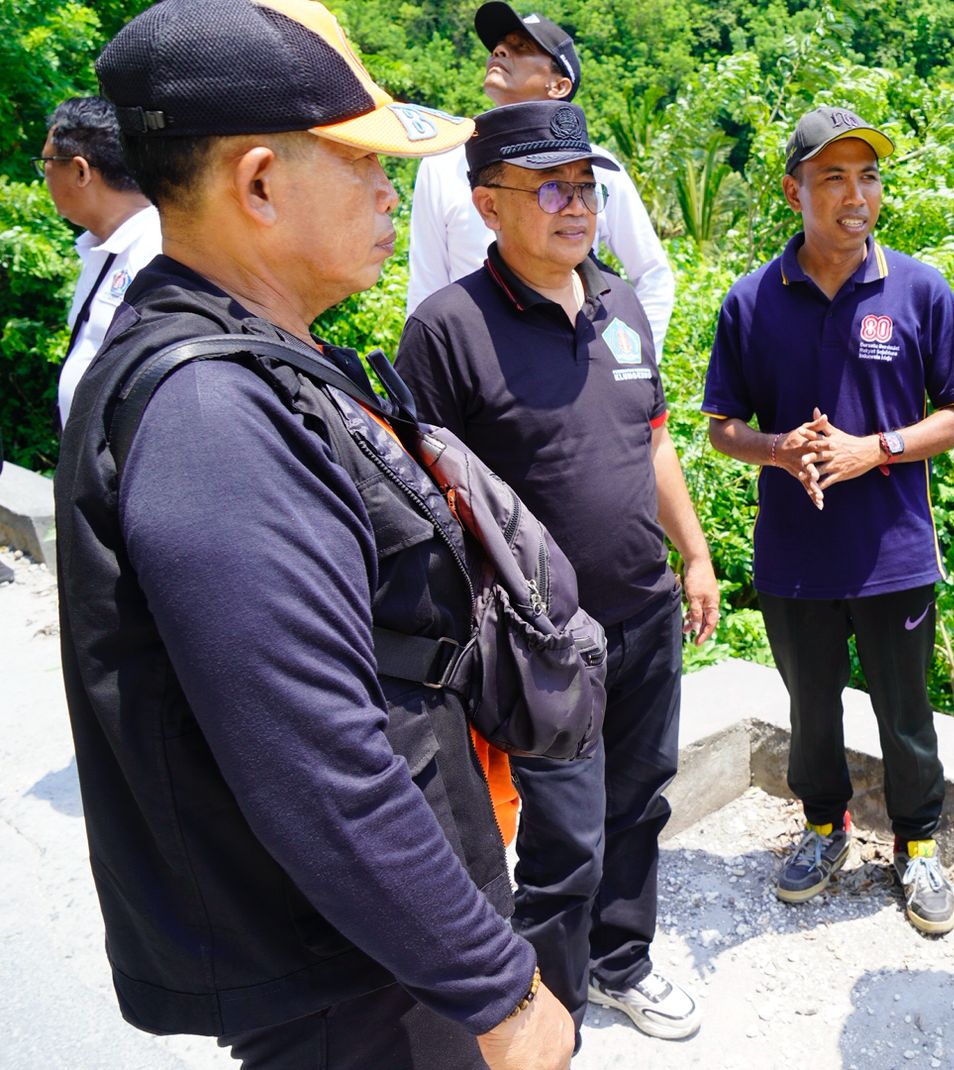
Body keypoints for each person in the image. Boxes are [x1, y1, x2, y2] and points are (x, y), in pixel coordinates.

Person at [56, 2, 573, 1067]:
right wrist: (499, 990)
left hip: (380, 945)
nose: (392, 193)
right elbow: (319, 760)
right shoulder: (211, 415)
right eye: (364, 164)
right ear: (257, 183)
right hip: (357, 981)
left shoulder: (256, 356)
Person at [395, 99, 716, 1043]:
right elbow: (429, 501)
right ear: (488, 205)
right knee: (564, 839)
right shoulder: (448, 328)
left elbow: (653, 443)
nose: (576, 207)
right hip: (539, 640)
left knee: (639, 803)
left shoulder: (618, 303)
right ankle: (549, 1009)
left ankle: (621, 965)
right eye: (549, 189)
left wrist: (693, 556)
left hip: (644, 609)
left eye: (585, 187)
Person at [702, 106, 954, 936]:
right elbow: (723, 429)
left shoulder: (917, 287)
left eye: (867, 176)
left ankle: (919, 845)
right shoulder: (753, 300)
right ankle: (823, 828)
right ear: (795, 190)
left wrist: (878, 449)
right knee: (812, 710)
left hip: (894, 548)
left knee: (906, 713)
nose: (855, 194)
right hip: (795, 554)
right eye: (833, 177)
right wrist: (779, 449)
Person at [406, 2, 674, 350]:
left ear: (559, 86)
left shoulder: (599, 167)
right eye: (499, 46)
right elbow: (426, 287)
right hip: (479, 367)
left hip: (572, 362)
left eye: (522, 47)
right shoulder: (442, 162)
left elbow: (653, 273)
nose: (499, 51)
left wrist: (630, 363)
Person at [36, 95, 161, 426]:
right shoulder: (104, 247)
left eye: (46, 162)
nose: (44, 177)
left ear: (80, 171)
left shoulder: (156, 254)